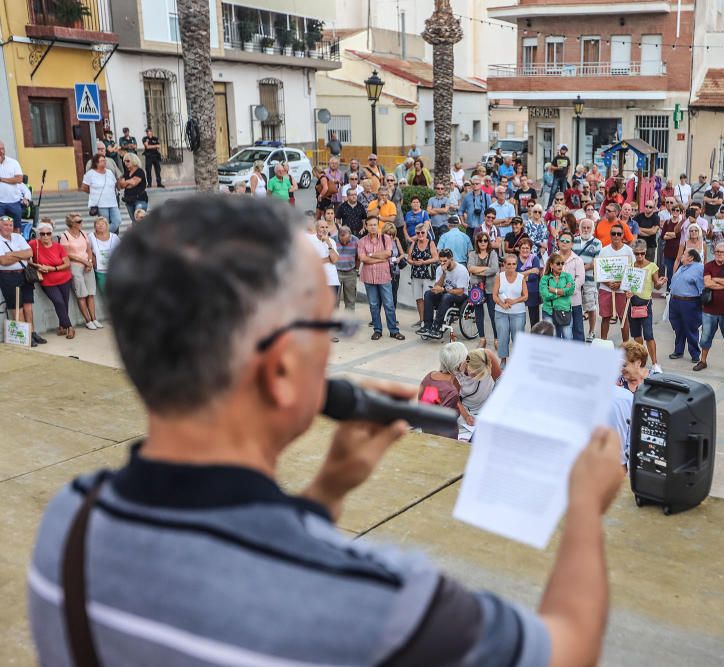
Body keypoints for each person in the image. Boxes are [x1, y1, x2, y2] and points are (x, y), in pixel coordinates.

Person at [28, 193, 625, 666]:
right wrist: (583, 510)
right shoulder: (382, 599)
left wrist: (327, 493)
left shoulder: (68, 524)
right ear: (283, 368)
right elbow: (566, 648)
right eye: (327, 327)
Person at [0, 214, 45, 346]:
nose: (8, 227)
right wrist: (21, 255)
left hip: (24, 274)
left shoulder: (18, 237)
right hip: (8, 276)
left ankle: (32, 333)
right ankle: (23, 337)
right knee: (16, 307)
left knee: (28, 306)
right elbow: (3, 261)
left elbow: (30, 253)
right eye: (5, 225)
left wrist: (12, 254)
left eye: (10, 225)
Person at [358, 216, 405, 341]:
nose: (373, 227)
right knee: (373, 305)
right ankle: (377, 330)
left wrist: (371, 255)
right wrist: (380, 259)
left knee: (389, 304)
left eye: (375, 225)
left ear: (378, 225)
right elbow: (362, 258)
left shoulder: (386, 238)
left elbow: (388, 254)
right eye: (370, 225)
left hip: (384, 276)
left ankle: (394, 331)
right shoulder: (362, 241)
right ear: (366, 226)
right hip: (369, 277)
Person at [696, 244, 724, 373]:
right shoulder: (708, 265)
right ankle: (703, 361)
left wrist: (715, 280)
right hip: (710, 309)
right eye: (717, 251)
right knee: (705, 337)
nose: (719, 254)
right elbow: (707, 283)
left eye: (722, 252)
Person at [28, 220, 75, 338]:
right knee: (58, 301)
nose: (45, 236)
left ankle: (62, 326)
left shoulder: (58, 246)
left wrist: (52, 268)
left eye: (48, 234)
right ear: (39, 234)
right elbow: (28, 260)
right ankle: (70, 327)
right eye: (42, 234)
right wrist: (37, 266)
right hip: (47, 281)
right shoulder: (34, 244)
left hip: (64, 278)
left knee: (64, 303)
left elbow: (67, 263)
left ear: (52, 234)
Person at [628, 239, 668, 371]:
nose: (639, 256)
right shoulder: (630, 266)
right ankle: (642, 360)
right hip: (632, 303)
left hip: (645, 303)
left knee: (649, 335)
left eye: (642, 253)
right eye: (637, 253)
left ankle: (655, 363)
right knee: (636, 335)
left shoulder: (652, 266)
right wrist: (626, 292)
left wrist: (661, 283)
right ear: (634, 253)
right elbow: (625, 285)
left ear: (646, 252)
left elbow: (656, 285)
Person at [59, 214, 101, 329]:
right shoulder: (65, 236)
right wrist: (83, 261)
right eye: (78, 221)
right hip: (75, 266)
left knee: (91, 293)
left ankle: (94, 319)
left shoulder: (83, 233)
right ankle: (88, 321)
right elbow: (67, 254)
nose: (81, 222)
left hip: (87, 265)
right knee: (81, 295)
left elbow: (88, 249)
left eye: (81, 220)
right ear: (71, 223)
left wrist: (90, 261)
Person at [597, 223, 635, 341]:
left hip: (622, 290)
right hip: (606, 289)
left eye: (619, 234)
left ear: (623, 235)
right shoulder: (604, 251)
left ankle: (626, 344)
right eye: (614, 233)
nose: (616, 236)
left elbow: (632, 271)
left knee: (623, 318)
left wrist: (620, 284)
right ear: (610, 235)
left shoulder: (628, 251)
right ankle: (603, 343)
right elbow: (599, 271)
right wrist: (608, 283)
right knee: (605, 317)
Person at [419, 248, 469, 338]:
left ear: (451, 259)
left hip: (460, 296)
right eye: (440, 261)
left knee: (446, 296)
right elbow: (437, 286)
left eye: (445, 261)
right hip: (446, 293)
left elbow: (460, 291)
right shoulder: (440, 269)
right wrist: (444, 274)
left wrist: (444, 290)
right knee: (428, 294)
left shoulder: (461, 270)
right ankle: (427, 325)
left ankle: (437, 327)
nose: (442, 263)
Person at [455, 347, 502, 441]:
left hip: (488, 404)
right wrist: (467, 416)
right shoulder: (456, 368)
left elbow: (500, 383)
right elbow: (455, 399)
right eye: (472, 374)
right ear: (467, 364)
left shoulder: (487, 355)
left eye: (480, 375)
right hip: (467, 409)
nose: (475, 378)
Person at [666, 249, 704, 363]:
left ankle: (695, 354)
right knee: (678, 327)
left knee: (691, 328)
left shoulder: (699, 268)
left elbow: (702, 288)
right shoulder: (682, 267)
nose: (681, 256)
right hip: (675, 301)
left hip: (689, 302)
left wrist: (702, 304)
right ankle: (678, 350)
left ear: (691, 258)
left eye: (684, 255)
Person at [493, 253, 528, 363]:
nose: (511, 267)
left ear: (516, 265)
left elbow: (526, 296)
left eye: (514, 264)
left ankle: (517, 360)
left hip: (518, 312)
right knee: (502, 336)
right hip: (500, 311)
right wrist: (502, 304)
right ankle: (503, 359)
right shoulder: (499, 276)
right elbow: (494, 295)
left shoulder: (521, 277)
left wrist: (514, 301)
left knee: (517, 338)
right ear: (504, 264)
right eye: (509, 264)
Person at [467, 231, 499, 347]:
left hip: (490, 287)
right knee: (479, 314)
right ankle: (482, 339)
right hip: (476, 288)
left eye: (485, 240)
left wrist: (478, 270)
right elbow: (470, 268)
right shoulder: (472, 254)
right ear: (477, 242)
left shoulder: (493, 253)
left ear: (488, 242)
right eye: (480, 240)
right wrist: (486, 268)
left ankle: (497, 339)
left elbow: (494, 269)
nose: (483, 243)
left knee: (493, 314)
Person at [573, 219, 603, 341]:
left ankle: (591, 331)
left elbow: (595, 262)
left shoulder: (597, 243)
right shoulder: (573, 240)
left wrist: (579, 269)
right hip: (574, 280)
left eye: (588, 228)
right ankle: (577, 331)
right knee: (575, 306)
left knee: (591, 307)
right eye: (583, 227)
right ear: (580, 229)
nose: (586, 230)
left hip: (589, 280)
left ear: (592, 229)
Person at [407, 223, 439, 325]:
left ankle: (428, 320)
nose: (420, 234)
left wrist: (424, 262)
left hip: (428, 275)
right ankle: (422, 320)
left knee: (427, 299)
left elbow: (436, 258)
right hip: (416, 275)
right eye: (418, 233)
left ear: (426, 233)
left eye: (422, 232)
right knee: (418, 298)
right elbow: (409, 258)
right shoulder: (414, 243)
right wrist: (413, 262)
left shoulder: (431, 243)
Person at [82, 155, 122, 234]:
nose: (104, 162)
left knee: (117, 221)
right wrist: (93, 193)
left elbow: (115, 184)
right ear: (96, 163)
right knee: (104, 222)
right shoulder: (90, 173)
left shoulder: (109, 172)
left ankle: (102, 234)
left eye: (105, 160)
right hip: (100, 203)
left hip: (112, 202)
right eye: (102, 161)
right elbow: (84, 187)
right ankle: (104, 237)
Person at [539, 253, 575, 339]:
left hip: (564, 311)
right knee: (552, 338)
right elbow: (545, 296)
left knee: (568, 338)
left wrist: (554, 290)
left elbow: (571, 291)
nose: (560, 266)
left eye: (562, 263)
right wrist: (562, 292)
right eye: (558, 263)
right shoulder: (545, 278)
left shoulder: (567, 276)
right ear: (551, 264)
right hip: (549, 312)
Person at [87, 215, 120, 296]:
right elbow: (88, 250)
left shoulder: (114, 237)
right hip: (100, 271)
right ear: (95, 226)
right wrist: (91, 260)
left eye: (103, 224)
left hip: (113, 270)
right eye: (98, 224)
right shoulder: (91, 236)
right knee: (105, 294)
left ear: (107, 225)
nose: (101, 225)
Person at [516, 238, 543, 327]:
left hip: (533, 292)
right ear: (519, 249)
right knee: (519, 320)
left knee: (534, 320)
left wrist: (521, 275)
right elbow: (514, 276)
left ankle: (535, 339)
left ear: (530, 249)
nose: (525, 250)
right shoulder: (515, 260)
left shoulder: (534, 259)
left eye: (527, 248)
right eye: (523, 248)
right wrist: (529, 271)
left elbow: (535, 276)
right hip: (519, 293)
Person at [333, 223, 359, 311]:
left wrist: (356, 269)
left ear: (350, 235)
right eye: (342, 240)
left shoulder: (356, 240)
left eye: (347, 240)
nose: (344, 242)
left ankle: (349, 322)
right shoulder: (332, 240)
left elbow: (358, 257)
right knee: (334, 301)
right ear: (338, 235)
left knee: (350, 300)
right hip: (336, 272)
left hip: (350, 272)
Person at [118, 153, 148, 224]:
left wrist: (126, 182)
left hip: (140, 199)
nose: (125, 163)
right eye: (124, 161)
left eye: (128, 161)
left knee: (140, 219)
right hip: (129, 200)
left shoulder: (139, 171)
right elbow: (121, 185)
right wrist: (127, 183)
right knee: (134, 221)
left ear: (134, 160)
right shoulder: (126, 173)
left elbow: (134, 183)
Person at [382, 223, 405, 306]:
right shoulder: (380, 241)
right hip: (383, 270)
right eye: (388, 234)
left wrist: (398, 258)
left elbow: (402, 254)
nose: (390, 236)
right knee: (383, 295)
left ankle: (392, 317)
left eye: (392, 234)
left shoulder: (396, 240)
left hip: (395, 271)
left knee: (393, 294)